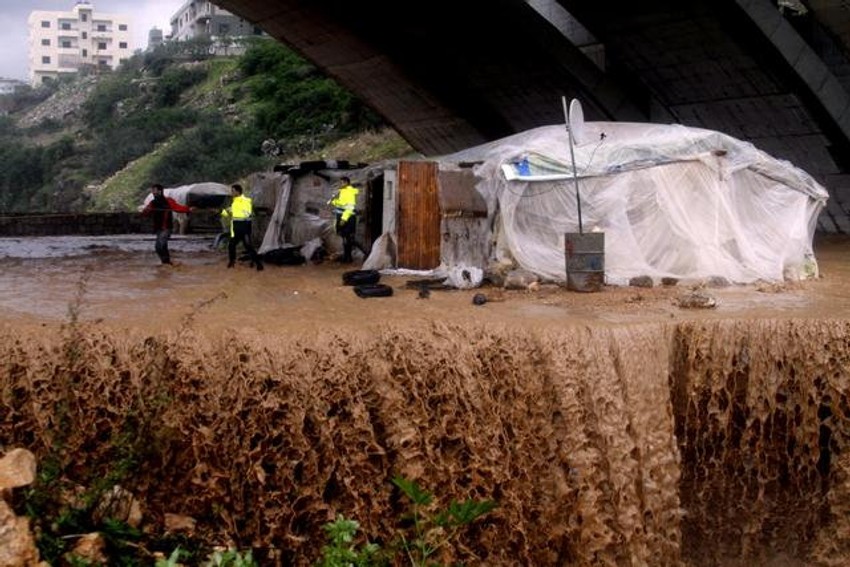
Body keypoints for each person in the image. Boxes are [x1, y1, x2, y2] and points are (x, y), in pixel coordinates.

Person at [141, 183, 192, 265]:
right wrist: (144, 211)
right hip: (158, 228)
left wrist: (188, 209)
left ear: (160, 191)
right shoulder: (152, 203)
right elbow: (146, 213)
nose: (153, 192)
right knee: (158, 247)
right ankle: (165, 263)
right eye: (152, 190)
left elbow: (178, 208)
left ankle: (167, 263)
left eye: (154, 190)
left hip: (166, 228)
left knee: (161, 244)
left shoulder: (168, 201)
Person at [222, 183, 263, 271]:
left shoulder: (245, 201)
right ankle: (232, 263)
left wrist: (228, 212)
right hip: (238, 227)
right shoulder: (236, 201)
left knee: (247, 246)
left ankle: (258, 264)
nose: (231, 193)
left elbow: (245, 213)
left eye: (233, 191)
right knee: (232, 245)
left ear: (238, 191)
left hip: (243, 227)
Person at [329, 175, 359, 263]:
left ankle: (348, 257)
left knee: (348, 238)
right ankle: (347, 257)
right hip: (342, 216)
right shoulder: (343, 191)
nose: (341, 184)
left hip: (347, 217)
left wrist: (344, 219)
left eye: (342, 182)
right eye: (340, 182)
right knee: (345, 238)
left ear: (347, 183)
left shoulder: (349, 192)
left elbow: (349, 207)